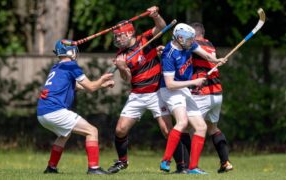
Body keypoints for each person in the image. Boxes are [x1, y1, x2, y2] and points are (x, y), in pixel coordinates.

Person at [108, 6, 190, 174]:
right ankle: (122, 161)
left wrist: (156, 15)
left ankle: (182, 166)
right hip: (137, 95)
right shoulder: (120, 56)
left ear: (129, 33)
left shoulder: (145, 39)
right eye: (115, 36)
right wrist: (123, 68)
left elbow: (161, 27)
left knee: (167, 130)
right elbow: (127, 79)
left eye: (119, 36)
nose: (117, 39)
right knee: (120, 129)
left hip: (157, 93)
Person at [37, 39, 114, 175]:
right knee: (92, 131)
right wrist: (101, 80)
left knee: (64, 135)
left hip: (42, 113)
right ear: (69, 51)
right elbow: (90, 87)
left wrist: (100, 85)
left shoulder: (57, 67)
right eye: (73, 49)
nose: (75, 52)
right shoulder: (71, 65)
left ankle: (51, 168)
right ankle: (94, 168)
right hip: (55, 110)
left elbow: (75, 86)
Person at [159, 23, 226, 174]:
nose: (192, 42)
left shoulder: (188, 44)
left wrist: (216, 61)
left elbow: (206, 55)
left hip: (183, 88)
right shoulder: (169, 55)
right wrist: (194, 82)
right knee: (182, 122)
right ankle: (166, 160)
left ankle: (193, 167)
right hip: (170, 90)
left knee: (201, 127)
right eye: (190, 39)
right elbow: (170, 84)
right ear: (180, 38)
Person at [190, 22, 233, 173]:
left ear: (193, 34)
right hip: (217, 92)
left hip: (202, 92)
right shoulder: (209, 43)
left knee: (183, 126)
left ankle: (186, 166)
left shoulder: (193, 44)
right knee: (212, 128)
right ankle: (225, 162)